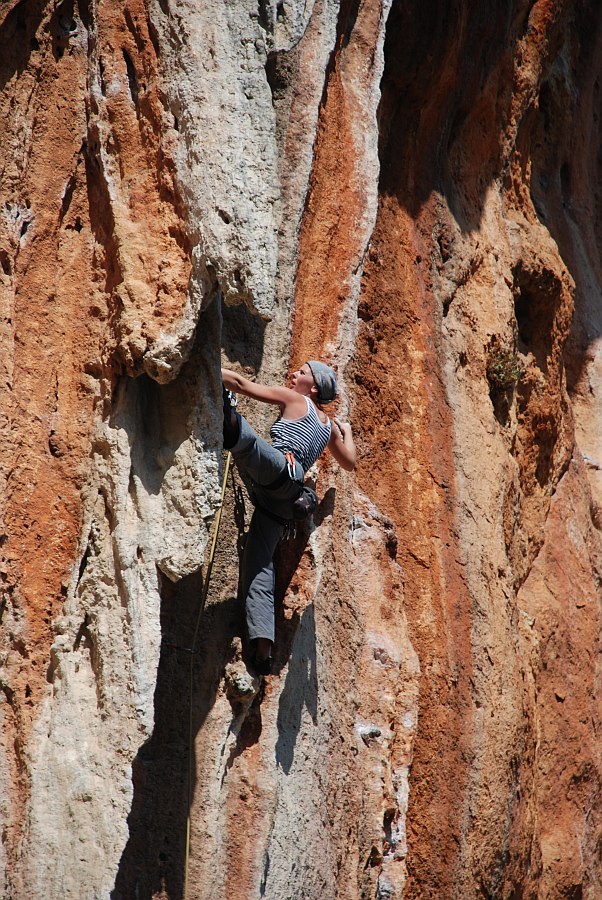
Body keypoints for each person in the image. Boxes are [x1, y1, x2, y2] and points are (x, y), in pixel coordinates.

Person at [221, 361, 356, 674]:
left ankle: (229, 422)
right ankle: (263, 645)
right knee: (258, 564)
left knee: (249, 442)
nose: (294, 372)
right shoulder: (330, 427)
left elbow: (241, 384)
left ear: (312, 387)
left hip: (279, 471)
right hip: (286, 501)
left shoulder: (298, 400)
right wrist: (346, 432)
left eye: (303, 372)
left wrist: (207, 368)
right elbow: (349, 461)